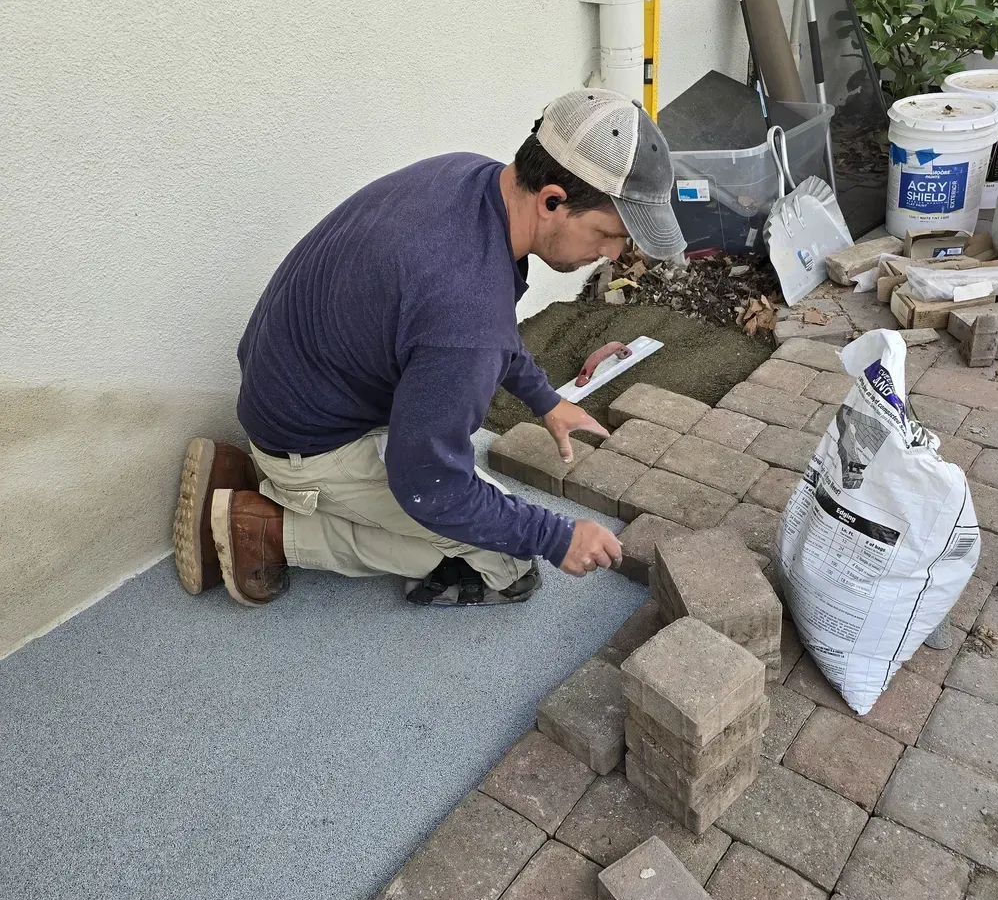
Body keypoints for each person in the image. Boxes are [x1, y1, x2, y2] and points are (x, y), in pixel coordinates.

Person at [172, 88, 685, 608]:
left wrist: (545, 400)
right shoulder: (465, 310)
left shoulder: (471, 177)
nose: (614, 254)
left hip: (288, 387)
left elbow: (483, 322)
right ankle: (265, 526)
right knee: (506, 563)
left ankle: (281, 482)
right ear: (552, 200)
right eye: (608, 234)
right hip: (309, 440)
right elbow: (431, 486)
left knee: (480, 508)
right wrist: (556, 537)